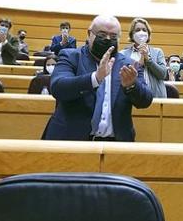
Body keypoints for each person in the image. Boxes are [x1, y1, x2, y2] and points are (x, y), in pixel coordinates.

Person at [43, 14, 153, 142]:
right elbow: (58, 87)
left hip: (116, 143)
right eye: (101, 35)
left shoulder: (129, 64)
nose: (107, 39)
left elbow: (146, 100)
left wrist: (131, 86)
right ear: (89, 34)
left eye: (113, 36)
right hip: (72, 141)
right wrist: (94, 78)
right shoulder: (71, 56)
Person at [123, 17, 168, 100]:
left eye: (144, 30)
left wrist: (148, 59)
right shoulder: (123, 54)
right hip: (132, 98)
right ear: (132, 34)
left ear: (148, 34)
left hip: (156, 98)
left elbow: (163, 75)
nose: (141, 32)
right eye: (137, 30)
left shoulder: (157, 52)